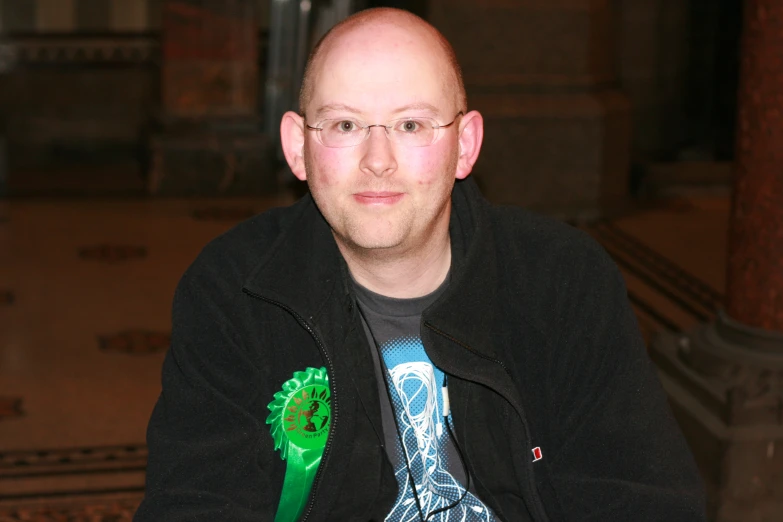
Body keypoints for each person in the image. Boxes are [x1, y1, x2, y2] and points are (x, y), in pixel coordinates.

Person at [134, 7, 706, 522]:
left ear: (465, 144)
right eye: (345, 125)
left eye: (410, 125)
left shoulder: (563, 281)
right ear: (297, 147)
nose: (377, 161)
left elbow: (641, 498)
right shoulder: (233, 291)